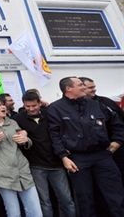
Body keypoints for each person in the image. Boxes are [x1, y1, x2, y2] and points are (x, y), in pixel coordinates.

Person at [48, 76, 124, 217]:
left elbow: (117, 123)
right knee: (85, 199)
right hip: (78, 159)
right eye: (80, 85)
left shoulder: (95, 104)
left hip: (102, 155)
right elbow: (54, 135)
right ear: (68, 89)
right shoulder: (55, 109)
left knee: (115, 195)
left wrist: (117, 141)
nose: (84, 87)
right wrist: (63, 156)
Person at [0, 97, 42, 217]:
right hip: (3, 173)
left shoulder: (12, 122)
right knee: (14, 213)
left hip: (22, 170)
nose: (3, 107)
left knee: (35, 211)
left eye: (3, 105)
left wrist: (25, 140)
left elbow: (24, 140)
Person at [13, 92, 75, 217]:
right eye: (27, 106)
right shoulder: (18, 119)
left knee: (66, 200)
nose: (31, 109)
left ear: (40, 103)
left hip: (57, 164)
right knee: (44, 202)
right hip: (36, 166)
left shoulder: (49, 112)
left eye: (34, 105)